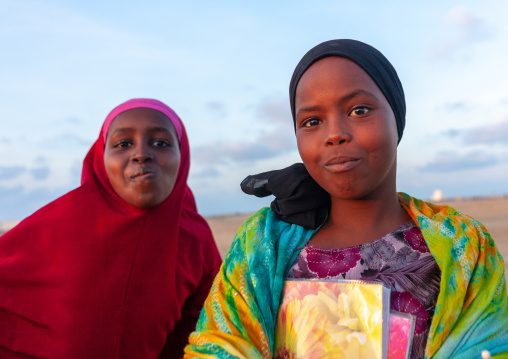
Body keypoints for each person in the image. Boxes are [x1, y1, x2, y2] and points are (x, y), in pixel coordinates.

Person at [184, 40, 508, 358]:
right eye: (312, 121)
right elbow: (217, 346)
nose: (334, 133)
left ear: (397, 118)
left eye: (359, 110)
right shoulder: (263, 245)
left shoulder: (464, 248)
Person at [0, 98, 222, 358]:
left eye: (161, 143)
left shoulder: (195, 239)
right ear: (101, 157)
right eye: (123, 143)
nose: (141, 153)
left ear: (182, 157)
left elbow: (206, 335)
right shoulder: (54, 227)